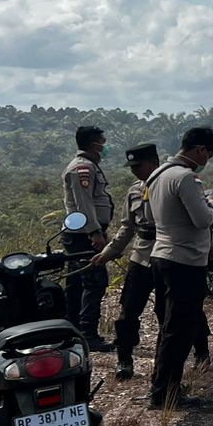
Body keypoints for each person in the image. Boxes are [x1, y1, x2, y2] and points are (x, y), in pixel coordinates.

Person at [146, 126, 213, 410]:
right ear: (200, 149)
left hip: (161, 255)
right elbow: (202, 219)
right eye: (208, 154)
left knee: (168, 328)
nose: (207, 159)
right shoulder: (187, 178)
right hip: (185, 261)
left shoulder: (158, 175)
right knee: (179, 331)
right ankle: (167, 395)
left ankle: (161, 387)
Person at [91, 143, 162, 380]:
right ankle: (124, 359)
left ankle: (198, 350)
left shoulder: (172, 186)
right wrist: (108, 252)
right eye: (131, 167)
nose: (134, 171)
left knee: (172, 311)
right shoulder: (134, 191)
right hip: (141, 257)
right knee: (128, 312)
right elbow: (127, 227)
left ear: (153, 163)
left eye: (138, 166)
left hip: (168, 256)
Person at [62, 124, 117, 351]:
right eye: (103, 144)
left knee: (78, 283)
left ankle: (72, 332)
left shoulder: (89, 166)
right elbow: (84, 204)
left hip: (84, 234)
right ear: (95, 145)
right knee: (94, 283)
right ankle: (87, 335)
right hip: (84, 236)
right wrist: (95, 232)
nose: (105, 148)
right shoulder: (82, 169)